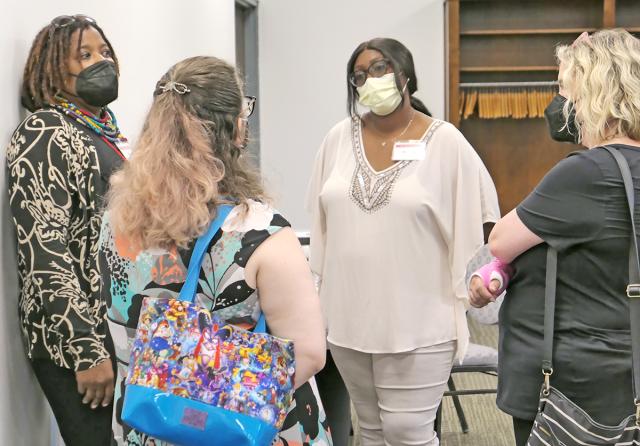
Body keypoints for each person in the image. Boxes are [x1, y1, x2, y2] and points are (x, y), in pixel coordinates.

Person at [99, 56, 331, 445]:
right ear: (236, 129)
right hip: (240, 429)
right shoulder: (261, 233)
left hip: (149, 421)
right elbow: (308, 354)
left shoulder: (117, 219)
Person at [306, 37, 500, 446]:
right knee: (371, 432)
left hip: (420, 319)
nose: (369, 80)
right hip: (347, 319)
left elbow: (484, 217)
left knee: (408, 433)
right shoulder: (337, 140)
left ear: (405, 74)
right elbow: (320, 216)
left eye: (379, 68)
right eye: (359, 75)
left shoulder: (445, 141)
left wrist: (481, 276)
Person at [468, 29, 639, 446]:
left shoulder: (586, 173)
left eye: (565, 89)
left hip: (567, 381)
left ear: (594, 92)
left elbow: (501, 243)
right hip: (619, 362)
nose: (560, 104)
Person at [6, 15, 126, 446]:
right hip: (75, 336)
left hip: (113, 327)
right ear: (53, 69)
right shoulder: (45, 132)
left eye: (104, 51)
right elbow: (43, 250)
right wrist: (86, 351)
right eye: (85, 55)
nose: (101, 61)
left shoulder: (99, 130)